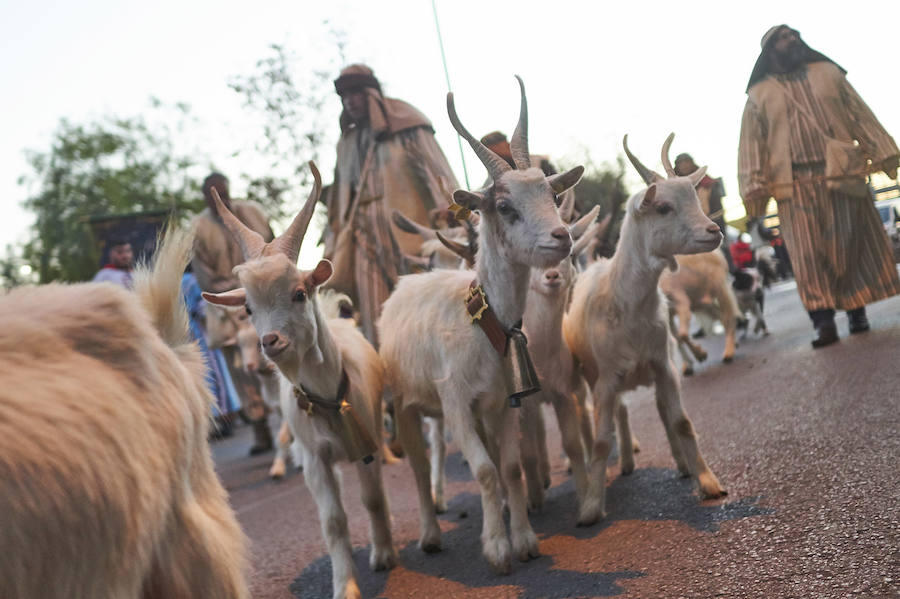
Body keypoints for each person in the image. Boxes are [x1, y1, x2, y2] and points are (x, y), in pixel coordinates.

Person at [738, 24, 900, 348]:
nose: (792, 40)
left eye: (794, 34)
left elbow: (859, 115)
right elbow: (752, 145)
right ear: (770, 51)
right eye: (783, 38)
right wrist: (754, 184)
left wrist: (884, 151)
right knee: (807, 256)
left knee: (847, 247)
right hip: (793, 185)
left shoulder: (829, 73)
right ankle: (823, 322)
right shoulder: (758, 96)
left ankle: (857, 311)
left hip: (841, 176)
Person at [324, 64, 459, 344]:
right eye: (344, 96)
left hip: (407, 231)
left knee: (422, 306)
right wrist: (332, 241)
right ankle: (390, 378)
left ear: (371, 92)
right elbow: (339, 202)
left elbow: (437, 170)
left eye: (356, 93)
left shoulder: (407, 124)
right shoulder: (346, 142)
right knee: (377, 313)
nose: (349, 100)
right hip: (362, 237)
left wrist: (455, 208)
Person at [192, 172, 275, 454]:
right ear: (205, 196)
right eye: (213, 195)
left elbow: (274, 250)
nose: (220, 199)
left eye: (223, 193)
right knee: (243, 369)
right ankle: (261, 428)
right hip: (228, 307)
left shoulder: (252, 212)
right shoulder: (198, 228)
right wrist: (237, 292)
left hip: (266, 297)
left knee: (279, 358)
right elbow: (206, 279)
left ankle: (297, 420)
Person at [674, 153, 733, 271]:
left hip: (714, 221)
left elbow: (716, 203)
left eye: (687, 162)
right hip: (692, 228)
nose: (685, 165)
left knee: (722, 253)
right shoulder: (676, 187)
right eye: (681, 163)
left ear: (692, 163)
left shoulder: (706, 181)